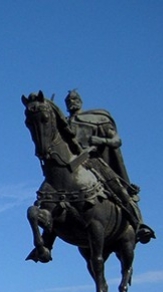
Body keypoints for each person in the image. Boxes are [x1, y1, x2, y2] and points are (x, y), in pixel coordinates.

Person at [64, 90, 155, 244]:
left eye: (74, 99)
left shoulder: (97, 119)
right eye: (69, 100)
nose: (72, 102)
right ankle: (47, 238)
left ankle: (139, 224)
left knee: (117, 187)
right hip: (70, 166)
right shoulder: (64, 124)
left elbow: (116, 140)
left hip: (93, 161)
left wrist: (99, 140)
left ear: (80, 101)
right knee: (48, 193)